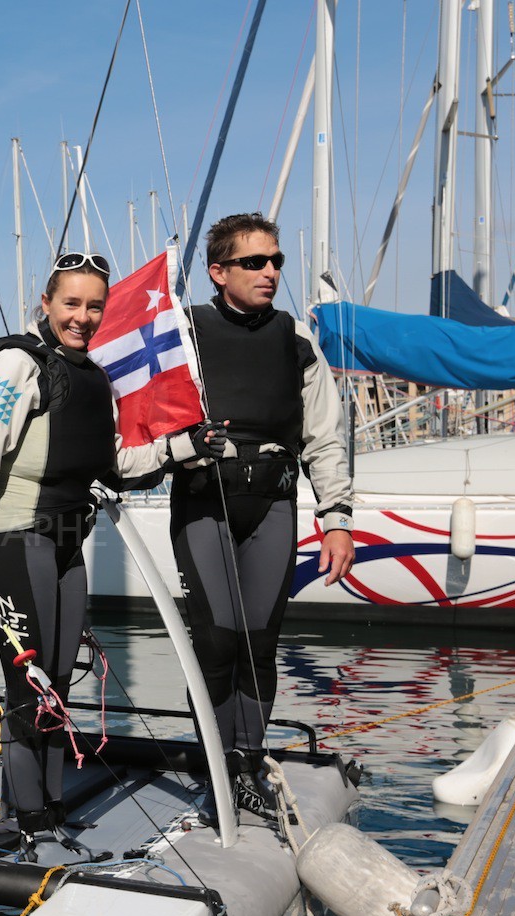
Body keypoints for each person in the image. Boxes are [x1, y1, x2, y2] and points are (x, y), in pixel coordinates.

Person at [0, 253, 137, 852]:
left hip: (70, 545)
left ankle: (44, 810)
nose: (82, 317)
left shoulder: (94, 378)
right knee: (33, 688)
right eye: (70, 304)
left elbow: (118, 463)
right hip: (15, 540)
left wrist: (182, 449)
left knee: (61, 688)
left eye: (94, 306)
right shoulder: (18, 364)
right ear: (45, 305)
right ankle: (25, 822)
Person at [176, 212, 355, 821]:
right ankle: (217, 769)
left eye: (276, 260)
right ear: (218, 271)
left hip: (274, 504)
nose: (272, 272)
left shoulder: (294, 340)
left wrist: (336, 520)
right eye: (255, 262)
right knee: (218, 639)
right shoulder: (184, 336)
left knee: (259, 642)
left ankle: (248, 764)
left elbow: (326, 439)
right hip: (205, 502)